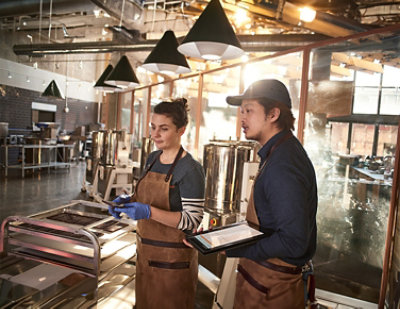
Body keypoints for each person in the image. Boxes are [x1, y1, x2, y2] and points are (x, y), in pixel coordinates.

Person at [225, 79, 318, 308]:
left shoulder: (283, 164)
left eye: (249, 110)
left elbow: (293, 241)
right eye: (241, 111)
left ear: (273, 114)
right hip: (261, 284)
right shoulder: (276, 153)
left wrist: (241, 248)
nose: (242, 118)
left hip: (272, 292)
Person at [109, 98, 205, 309]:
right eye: (153, 127)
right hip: (145, 256)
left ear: (181, 130)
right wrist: (127, 202)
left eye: (163, 129)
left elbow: (192, 220)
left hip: (173, 264)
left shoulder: (190, 169)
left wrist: (148, 212)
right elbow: (144, 197)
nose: (155, 135)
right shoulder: (152, 158)